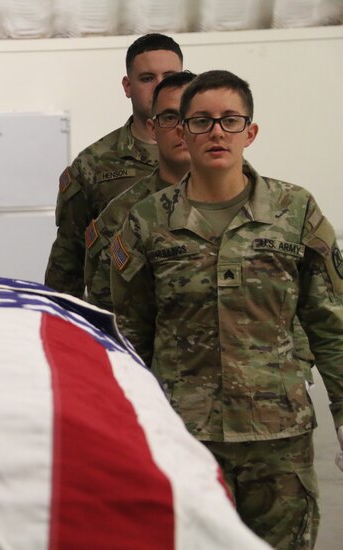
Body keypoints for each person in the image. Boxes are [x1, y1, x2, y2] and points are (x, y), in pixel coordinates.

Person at [110, 70, 343, 549]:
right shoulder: (148, 221)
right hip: (186, 439)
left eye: (230, 120)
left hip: (278, 439)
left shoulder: (295, 210)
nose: (216, 132)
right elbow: (129, 335)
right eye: (200, 121)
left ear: (249, 133)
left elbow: (330, 324)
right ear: (181, 132)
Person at [45, 33, 183, 296]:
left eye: (170, 77)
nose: (159, 86)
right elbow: (68, 256)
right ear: (128, 86)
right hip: (117, 318)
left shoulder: (205, 153)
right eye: (147, 78)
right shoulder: (94, 164)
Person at [84, 70, 195, 310]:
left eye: (196, 118)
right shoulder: (122, 217)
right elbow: (106, 314)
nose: (182, 129)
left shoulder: (278, 207)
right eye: (170, 118)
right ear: (152, 128)